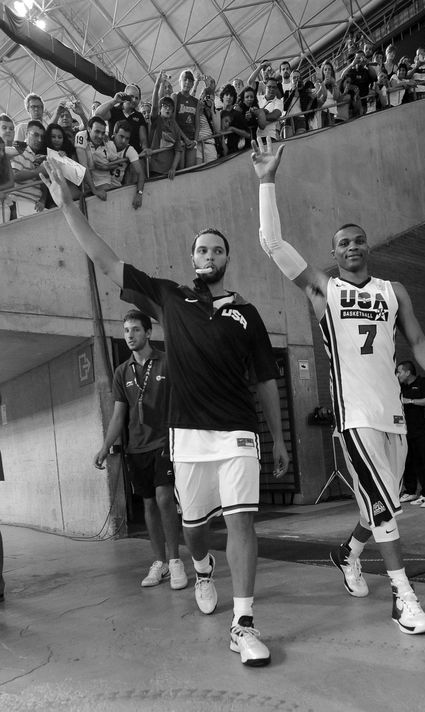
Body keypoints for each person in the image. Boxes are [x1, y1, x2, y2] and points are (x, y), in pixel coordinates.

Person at [40, 158, 289, 667]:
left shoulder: (248, 313)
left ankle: (242, 624)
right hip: (188, 437)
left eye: (217, 249)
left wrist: (281, 440)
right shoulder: (169, 298)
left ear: (227, 259)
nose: (208, 254)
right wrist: (68, 208)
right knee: (195, 528)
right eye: (201, 248)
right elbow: (108, 261)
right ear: (192, 256)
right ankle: (200, 566)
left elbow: (266, 378)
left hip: (238, 432)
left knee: (243, 522)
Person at [251, 138, 425, 636]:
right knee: (388, 506)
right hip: (355, 417)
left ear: (368, 246)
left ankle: (348, 553)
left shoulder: (394, 291)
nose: (352, 247)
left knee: (378, 505)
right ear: (334, 252)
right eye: (343, 242)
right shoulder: (325, 289)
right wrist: (266, 180)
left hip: (393, 415)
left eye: (358, 240)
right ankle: (404, 598)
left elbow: (420, 339)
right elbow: (273, 245)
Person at [94, 310, 188, 590]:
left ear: (148, 332)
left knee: (163, 498)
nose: (130, 335)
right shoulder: (122, 372)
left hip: (165, 442)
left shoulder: (167, 362)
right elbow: (118, 414)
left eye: (135, 329)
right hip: (137, 447)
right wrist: (105, 446)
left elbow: (183, 401)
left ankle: (175, 561)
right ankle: (159, 562)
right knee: (148, 502)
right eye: (126, 331)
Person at [396, 361, 425, 507]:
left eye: (399, 372)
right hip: (409, 432)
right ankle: (424, 493)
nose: (397, 375)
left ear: (408, 372)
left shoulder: (423, 382)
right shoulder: (401, 387)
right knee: (418, 464)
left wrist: (410, 401)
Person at [96, 84, 150, 155]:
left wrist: (145, 149)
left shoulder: (139, 116)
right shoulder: (114, 110)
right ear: (125, 95)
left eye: (137, 98)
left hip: (134, 155)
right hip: (114, 156)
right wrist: (114, 101)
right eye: (131, 96)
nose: (134, 100)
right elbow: (98, 114)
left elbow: (143, 140)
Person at [10, 120, 47, 217]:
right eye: (35, 135)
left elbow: (44, 185)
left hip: (35, 207)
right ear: (26, 134)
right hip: (19, 205)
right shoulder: (18, 151)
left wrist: (42, 201)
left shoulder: (39, 157)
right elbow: (14, 175)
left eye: (42, 137)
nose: (39, 140)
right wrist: (38, 171)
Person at [148, 95, 183, 180]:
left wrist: (173, 168)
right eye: (165, 106)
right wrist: (157, 85)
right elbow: (155, 106)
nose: (168, 109)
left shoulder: (175, 127)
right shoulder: (156, 120)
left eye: (170, 107)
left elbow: (178, 150)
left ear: (173, 111)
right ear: (160, 109)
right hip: (155, 169)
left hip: (169, 172)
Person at [171, 70, 200, 169]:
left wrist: (195, 141)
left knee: (191, 170)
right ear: (180, 81)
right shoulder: (175, 97)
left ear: (192, 84)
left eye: (190, 80)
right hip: (179, 141)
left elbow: (197, 124)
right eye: (185, 79)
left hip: (192, 141)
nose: (187, 82)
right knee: (181, 171)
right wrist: (185, 139)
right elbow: (172, 120)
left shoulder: (196, 102)